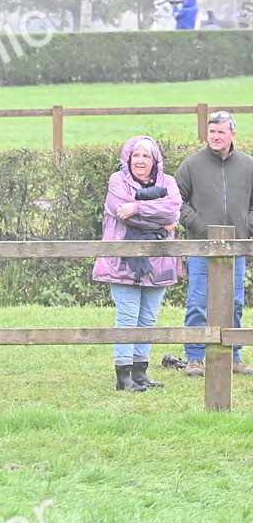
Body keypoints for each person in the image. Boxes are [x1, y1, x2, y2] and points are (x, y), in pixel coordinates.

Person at [92, 137, 182, 391]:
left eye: (146, 156)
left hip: (158, 259)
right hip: (124, 259)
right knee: (128, 316)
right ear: (128, 158)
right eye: (136, 156)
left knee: (148, 317)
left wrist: (137, 207)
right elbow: (120, 211)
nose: (140, 161)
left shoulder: (169, 182)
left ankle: (141, 372)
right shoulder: (117, 181)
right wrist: (159, 221)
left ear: (155, 161)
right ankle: (123, 376)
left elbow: (173, 212)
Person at [175, 110, 253, 376]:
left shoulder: (248, 165)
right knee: (198, 301)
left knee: (235, 302)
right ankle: (195, 357)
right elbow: (176, 202)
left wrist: (246, 226)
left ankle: (233, 355)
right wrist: (198, 225)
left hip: (236, 247)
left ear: (232, 134)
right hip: (200, 246)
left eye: (221, 132)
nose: (215, 136)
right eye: (212, 132)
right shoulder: (191, 165)